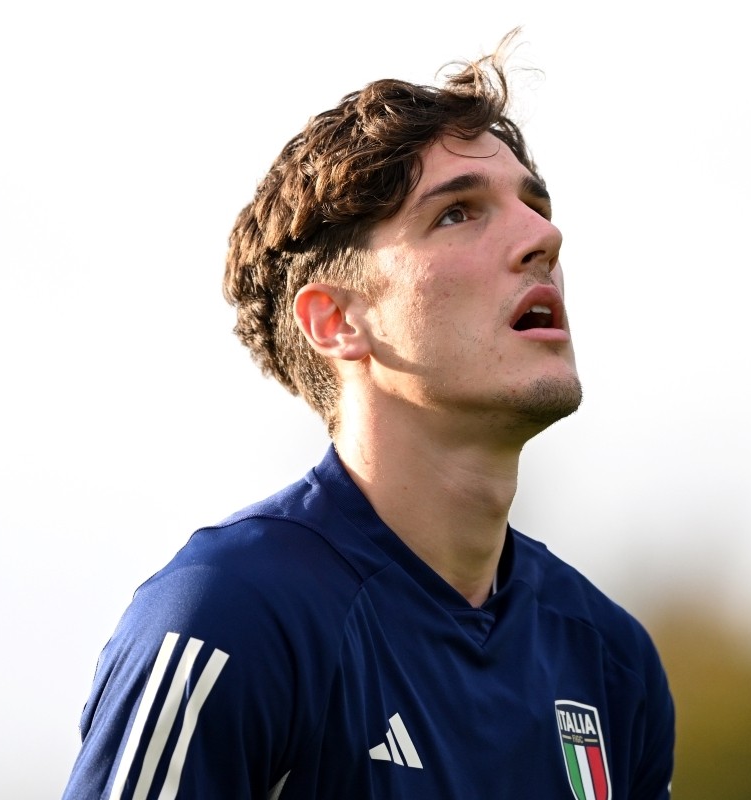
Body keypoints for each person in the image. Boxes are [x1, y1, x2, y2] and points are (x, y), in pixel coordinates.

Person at [63, 30, 675, 800]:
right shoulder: (228, 616)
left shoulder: (611, 662)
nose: (543, 237)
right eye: (458, 213)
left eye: (533, 205)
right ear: (336, 321)